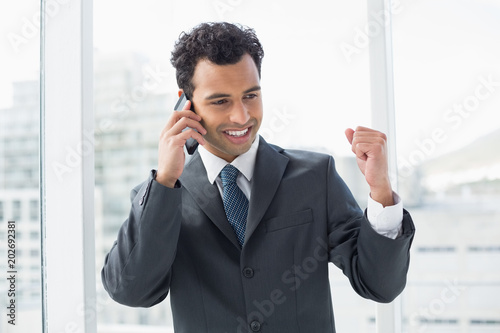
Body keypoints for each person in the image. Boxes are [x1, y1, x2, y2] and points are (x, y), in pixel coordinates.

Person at [101, 22, 415, 333]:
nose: (241, 116)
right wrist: (167, 177)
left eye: (250, 95)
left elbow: (379, 285)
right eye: (221, 101)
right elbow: (133, 291)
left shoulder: (315, 177)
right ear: (186, 103)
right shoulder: (163, 194)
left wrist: (381, 192)